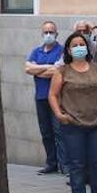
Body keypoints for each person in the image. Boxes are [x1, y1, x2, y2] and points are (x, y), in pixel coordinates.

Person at [49, 31, 97, 193]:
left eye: (82, 44)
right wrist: (59, 114)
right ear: (68, 50)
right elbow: (53, 95)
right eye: (75, 45)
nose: (79, 48)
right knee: (76, 162)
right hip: (72, 123)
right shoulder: (62, 71)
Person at [24, 20, 64, 175]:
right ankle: (51, 163)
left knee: (59, 131)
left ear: (56, 34)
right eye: (46, 32)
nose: (48, 35)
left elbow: (58, 70)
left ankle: (64, 165)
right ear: (42, 34)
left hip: (56, 98)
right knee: (46, 132)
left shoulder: (61, 51)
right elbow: (27, 68)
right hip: (40, 97)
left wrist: (38, 69)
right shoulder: (36, 51)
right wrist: (48, 67)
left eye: (51, 32)